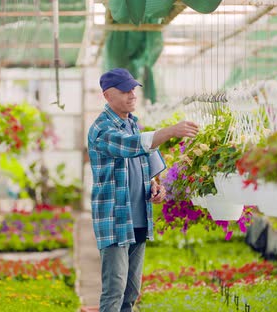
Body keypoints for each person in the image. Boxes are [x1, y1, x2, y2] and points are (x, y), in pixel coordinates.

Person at [87, 68, 199, 312]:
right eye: (124, 90)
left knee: (131, 292)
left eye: (133, 89)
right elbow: (130, 147)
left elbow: (146, 165)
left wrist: (155, 187)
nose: (132, 94)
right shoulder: (102, 129)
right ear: (107, 96)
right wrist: (170, 131)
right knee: (114, 290)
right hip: (116, 220)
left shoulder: (133, 124)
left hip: (138, 219)